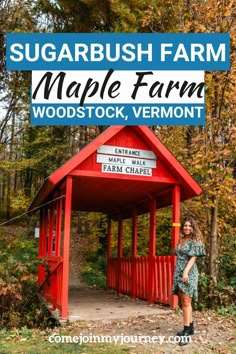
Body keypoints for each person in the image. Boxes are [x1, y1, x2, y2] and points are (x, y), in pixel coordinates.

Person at [172, 216, 206, 346]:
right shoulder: (182, 239)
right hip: (179, 272)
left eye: (189, 226)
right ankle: (190, 327)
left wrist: (185, 272)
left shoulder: (195, 241)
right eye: (185, 225)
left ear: (193, 227)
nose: (187, 228)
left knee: (186, 301)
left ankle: (186, 333)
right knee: (183, 300)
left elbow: (193, 258)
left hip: (189, 272)